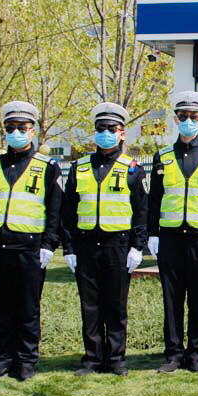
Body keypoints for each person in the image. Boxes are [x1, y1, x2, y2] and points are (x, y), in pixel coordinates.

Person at [0, 101, 63, 381]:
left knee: (27, 308)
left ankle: (26, 360)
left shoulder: (47, 167)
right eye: (10, 128)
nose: (16, 133)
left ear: (33, 130)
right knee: (1, 307)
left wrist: (49, 244)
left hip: (30, 249)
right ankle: (3, 358)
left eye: (22, 128)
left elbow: (55, 210)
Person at [61, 102, 148, 376]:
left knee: (116, 305)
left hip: (118, 246)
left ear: (122, 133)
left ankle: (116, 359)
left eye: (112, 128)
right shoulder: (79, 168)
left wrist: (138, 247)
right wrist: (69, 248)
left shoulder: (132, 169)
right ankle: (92, 359)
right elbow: (67, 211)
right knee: (90, 306)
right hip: (86, 245)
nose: (106, 133)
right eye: (101, 128)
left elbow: (141, 211)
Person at [147, 91, 198, 374]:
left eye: (194, 116)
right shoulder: (162, 156)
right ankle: (173, 353)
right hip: (170, 236)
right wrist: (153, 232)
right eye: (183, 116)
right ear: (176, 119)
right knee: (171, 297)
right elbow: (154, 198)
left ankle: (195, 353)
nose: (189, 121)